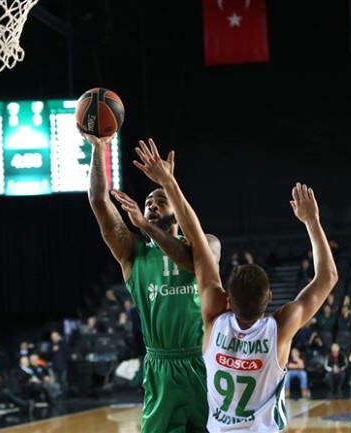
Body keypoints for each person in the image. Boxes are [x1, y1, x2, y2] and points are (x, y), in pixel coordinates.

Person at [129, 139, 337, 431]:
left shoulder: (213, 320)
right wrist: (312, 222)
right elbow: (327, 277)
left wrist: (168, 182)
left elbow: (199, 246)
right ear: (271, 297)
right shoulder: (280, 329)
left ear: (227, 298)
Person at [84, 133, 221, 433]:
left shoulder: (207, 245)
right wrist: (98, 148)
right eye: (148, 202)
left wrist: (148, 219)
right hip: (161, 367)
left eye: (161, 201)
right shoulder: (134, 253)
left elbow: (189, 262)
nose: (151, 205)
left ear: (176, 209)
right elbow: (98, 201)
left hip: (202, 362)